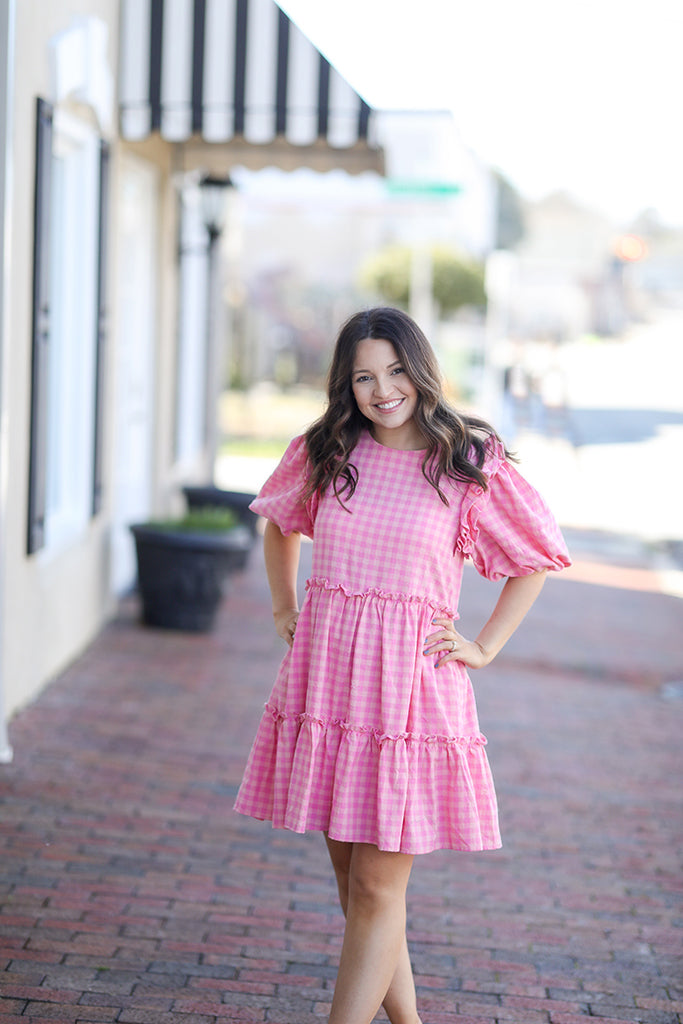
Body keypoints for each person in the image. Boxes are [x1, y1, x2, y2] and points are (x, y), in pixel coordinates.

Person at [234, 307, 571, 1024]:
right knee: (359, 886)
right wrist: (282, 606)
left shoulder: (466, 458)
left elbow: (535, 557)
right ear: (344, 384)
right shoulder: (327, 449)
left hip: (409, 694)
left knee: (378, 890)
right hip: (329, 683)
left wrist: (482, 646)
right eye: (362, 376)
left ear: (419, 371)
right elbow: (279, 522)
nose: (380, 389)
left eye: (393, 371)